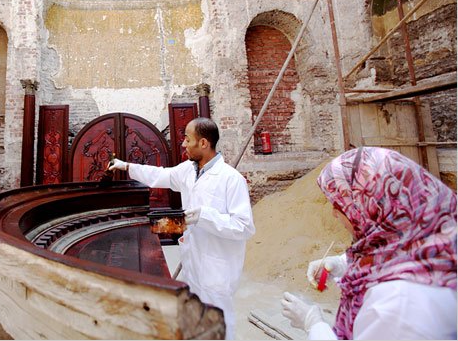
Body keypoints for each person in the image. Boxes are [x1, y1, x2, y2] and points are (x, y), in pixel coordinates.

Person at [281, 147, 457, 340]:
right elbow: (389, 256)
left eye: (340, 205)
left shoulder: (397, 304)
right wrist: (342, 264)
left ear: (373, 207)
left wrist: (313, 325)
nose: (334, 214)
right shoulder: (435, 242)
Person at [109, 117, 255, 339]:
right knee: (194, 322)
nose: (183, 144)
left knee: (219, 324)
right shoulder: (189, 170)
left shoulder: (230, 180)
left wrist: (203, 216)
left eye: (188, 140)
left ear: (204, 143)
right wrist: (127, 167)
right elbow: (160, 175)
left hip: (217, 268)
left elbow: (244, 227)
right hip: (192, 262)